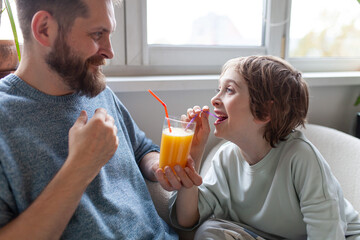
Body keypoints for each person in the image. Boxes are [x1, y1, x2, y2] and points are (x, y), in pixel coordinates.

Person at [0, 0, 178, 239]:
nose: (110, 52)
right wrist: (80, 167)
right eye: (97, 34)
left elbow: (142, 149)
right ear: (44, 29)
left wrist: (159, 166)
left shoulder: (96, 88)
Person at [157, 56, 360, 239]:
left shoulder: (300, 157)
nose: (214, 99)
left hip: (339, 235)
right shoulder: (226, 157)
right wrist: (195, 154)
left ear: (264, 112)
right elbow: (187, 219)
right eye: (218, 89)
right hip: (262, 235)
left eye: (229, 90)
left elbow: (327, 232)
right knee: (209, 231)